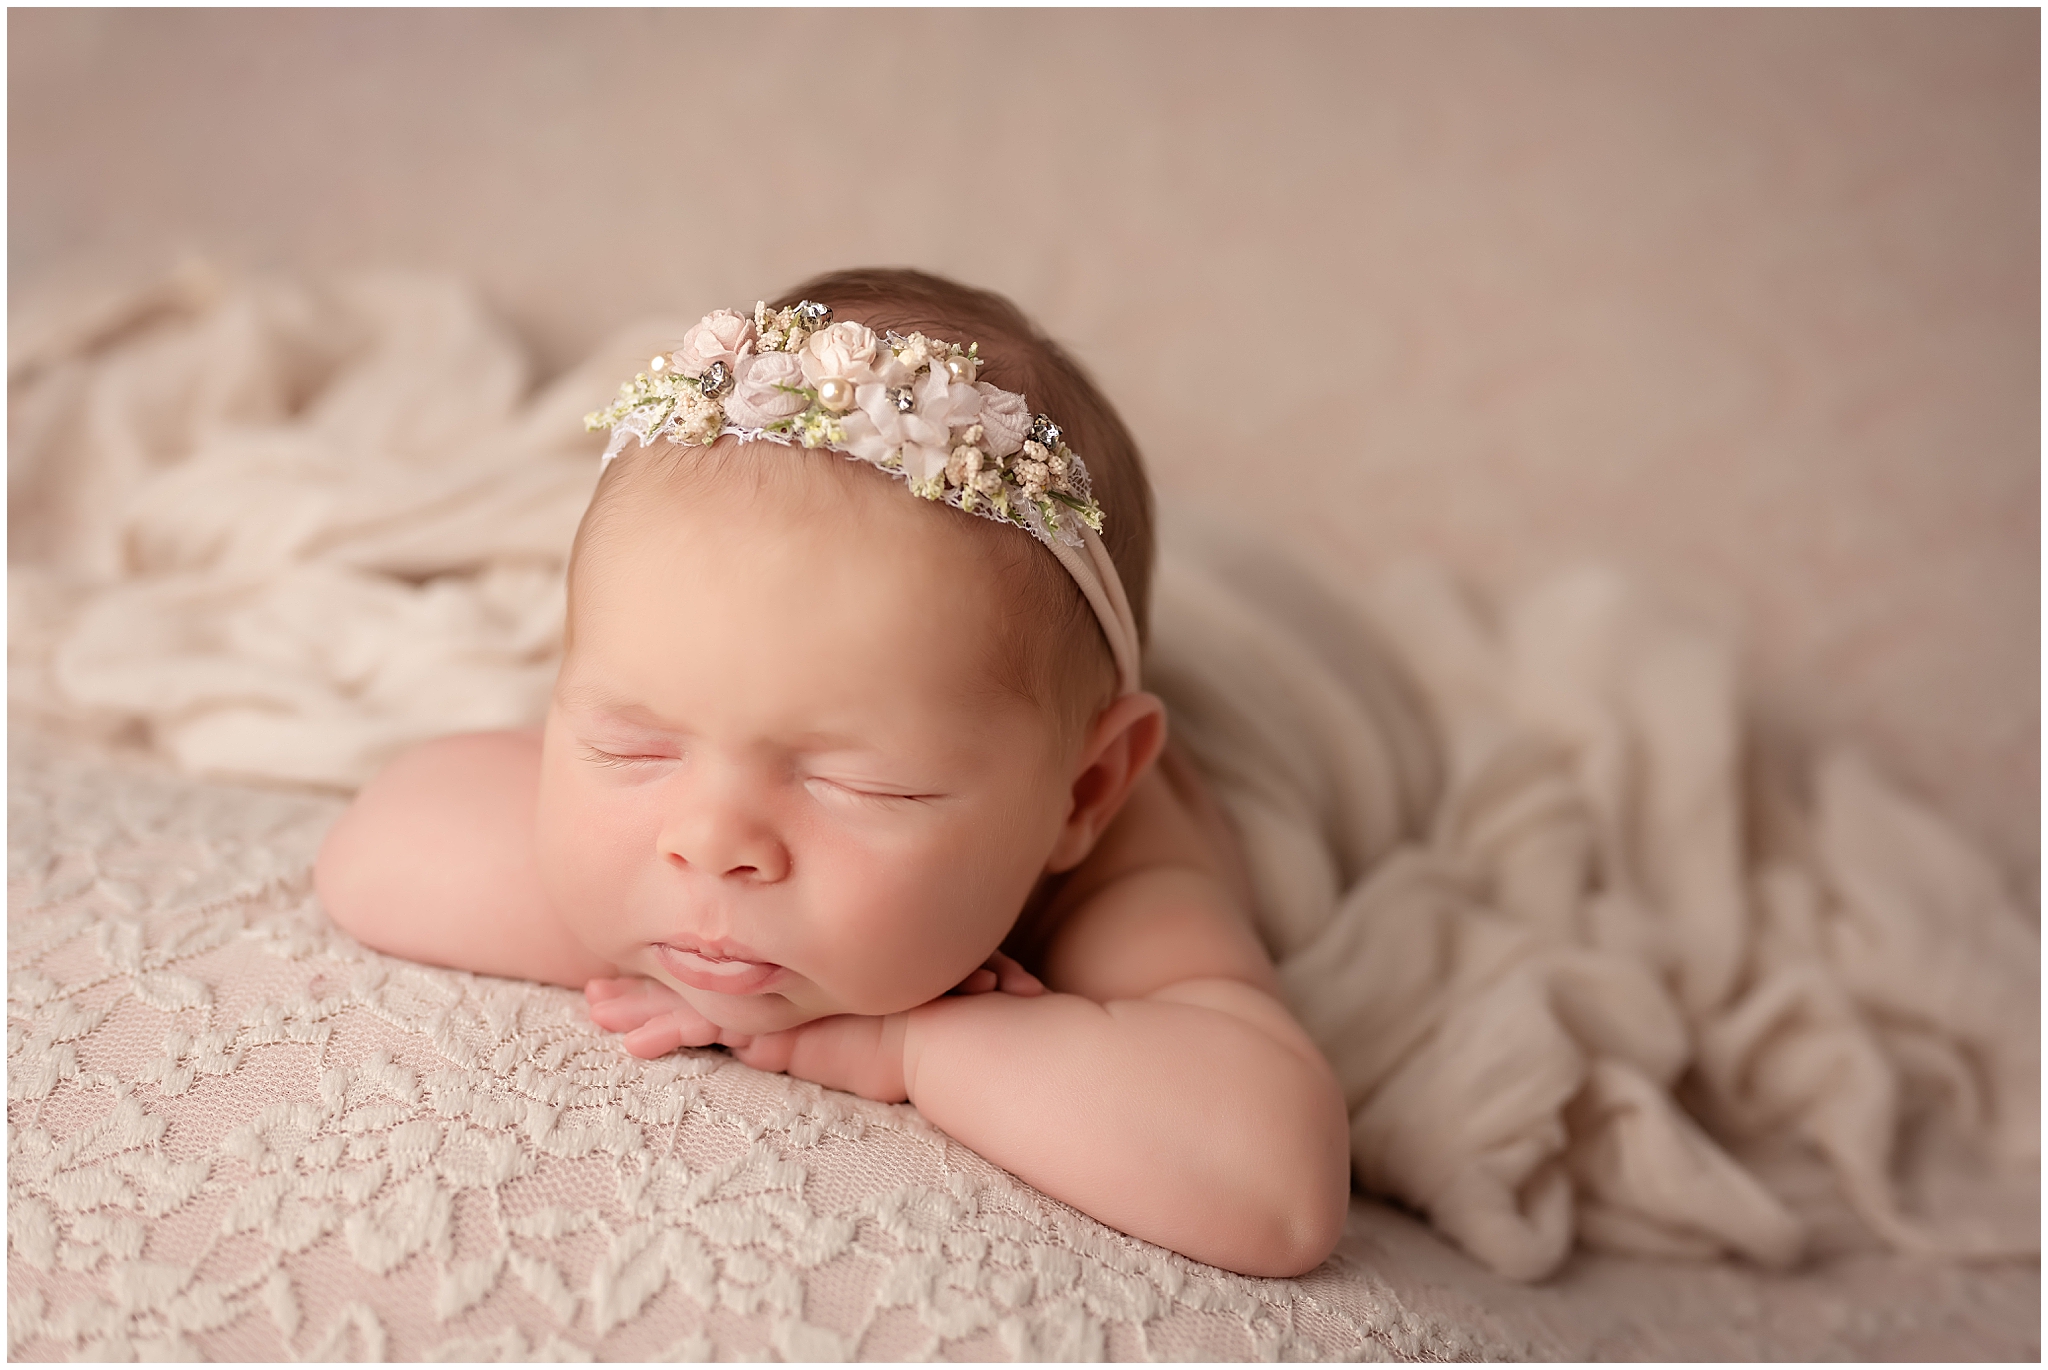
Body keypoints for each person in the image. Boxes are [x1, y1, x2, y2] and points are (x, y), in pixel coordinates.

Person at [315, 268, 1350, 1278]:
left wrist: (909, 1045)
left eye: (859, 784)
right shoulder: (703, 682)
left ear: (1080, 793)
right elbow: (379, 846)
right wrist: (631, 926)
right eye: (636, 746)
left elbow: (1272, 1180)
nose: (711, 842)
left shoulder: (1125, 871)